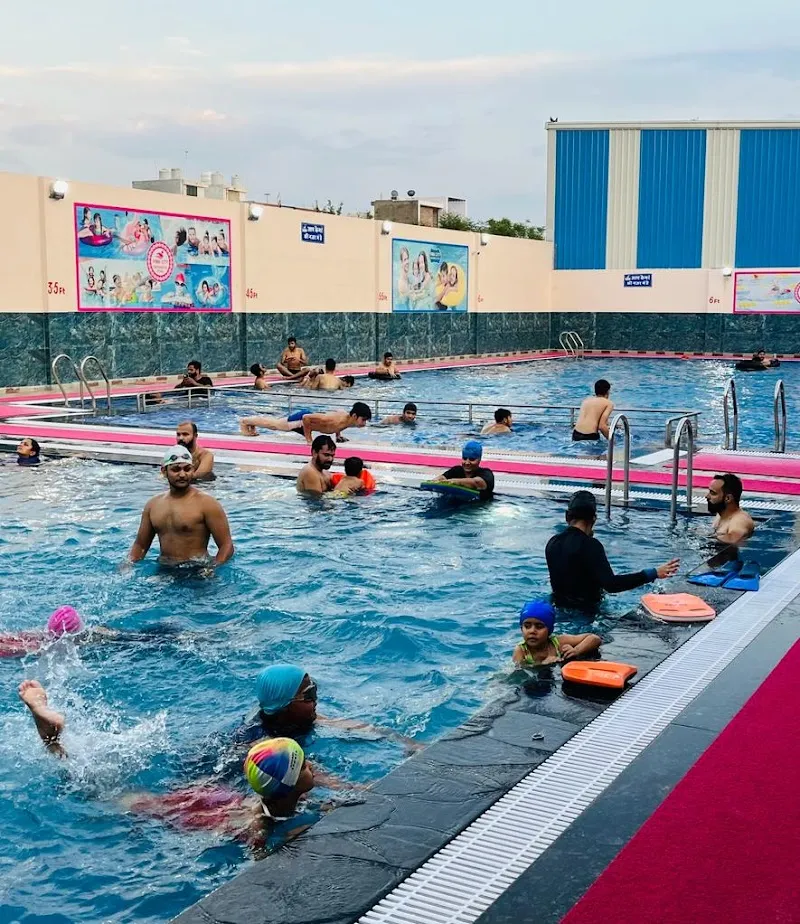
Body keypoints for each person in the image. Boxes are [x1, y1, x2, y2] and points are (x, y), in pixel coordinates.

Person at [18, 680, 320, 849]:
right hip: (177, 807)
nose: (314, 769)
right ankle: (51, 738)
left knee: (95, 781)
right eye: (305, 766)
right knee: (92, 790)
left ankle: (51, 736)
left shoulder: (277, 794)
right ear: (290, 785)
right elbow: (259, 860)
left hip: (208, 798)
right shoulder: (259, 825)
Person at [546, 490, 679, 612]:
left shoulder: (552, 543)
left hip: (557, 609)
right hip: (587, 613)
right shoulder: (591, 545)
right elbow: (611, 585)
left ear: (567, 517)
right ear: (594, 519)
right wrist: (653, 573)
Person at [128, 445, 234, 566]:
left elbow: (227, 545)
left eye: (187, 469)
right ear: (164, 471)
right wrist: (128, 565)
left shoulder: (207, 504)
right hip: (164, 569)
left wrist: (213, 568)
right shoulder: (153, 505)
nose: (182, 474)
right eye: (176, 469)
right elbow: (140, 545)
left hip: (197, 570)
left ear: (193, 470)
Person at [513, 600, 602, 667]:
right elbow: (519, 673)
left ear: (549, 630)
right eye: (527, 626)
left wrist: (576, 651)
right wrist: (542, 664)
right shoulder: (521, 651)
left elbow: (594, 638)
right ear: (521, 628)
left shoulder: (559, 642)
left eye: (539, 626)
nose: (532, 631)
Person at [706, 473, 755, 544]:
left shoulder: (740, 520)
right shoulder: (721, 514)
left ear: (728, 498)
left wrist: (705, 537)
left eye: (713, 493)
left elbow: (733, 539)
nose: (707, 496)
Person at [301, 402, 372, 444]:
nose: (364, 423)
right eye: (363, 420)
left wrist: (338, 435)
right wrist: (309, 440)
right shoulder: (330, 420)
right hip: (300, 422)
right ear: (354, 416)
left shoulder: (348, 419)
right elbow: (305, 418)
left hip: (310, 421)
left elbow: (339, 410)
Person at [239, 410, 311, 437]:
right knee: (275, 425)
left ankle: (249, 422)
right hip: (303, 420)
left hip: (309, 421)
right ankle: (245, 421)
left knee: (276, 424)